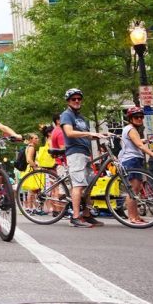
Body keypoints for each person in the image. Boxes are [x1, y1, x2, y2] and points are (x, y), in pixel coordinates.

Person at [60, 88, 106, 228]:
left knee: (89, 185)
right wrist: (88, 134)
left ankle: (87, 214)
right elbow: (69, 132)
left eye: (79, 99)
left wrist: (102, 134)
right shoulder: (66, 115)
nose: (77, 101)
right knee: (78, 185)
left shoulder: (81, 118)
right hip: (75, 153)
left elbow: (86, 134)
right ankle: (75, 217)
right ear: (68, 101)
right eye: (73, 99)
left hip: (86, 153)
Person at [119, 107, 153, 224]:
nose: (139, 119)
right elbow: (139, 145)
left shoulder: (131, 129)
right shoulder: (131, 129)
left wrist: (147, 140)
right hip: (131, 160)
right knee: (133, 190)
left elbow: (136, 142)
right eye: (136, 117)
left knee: (137, 189)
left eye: (141, 117)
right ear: (130, 118)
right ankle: (132, 217)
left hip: (134, 159)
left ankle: (136, 216)